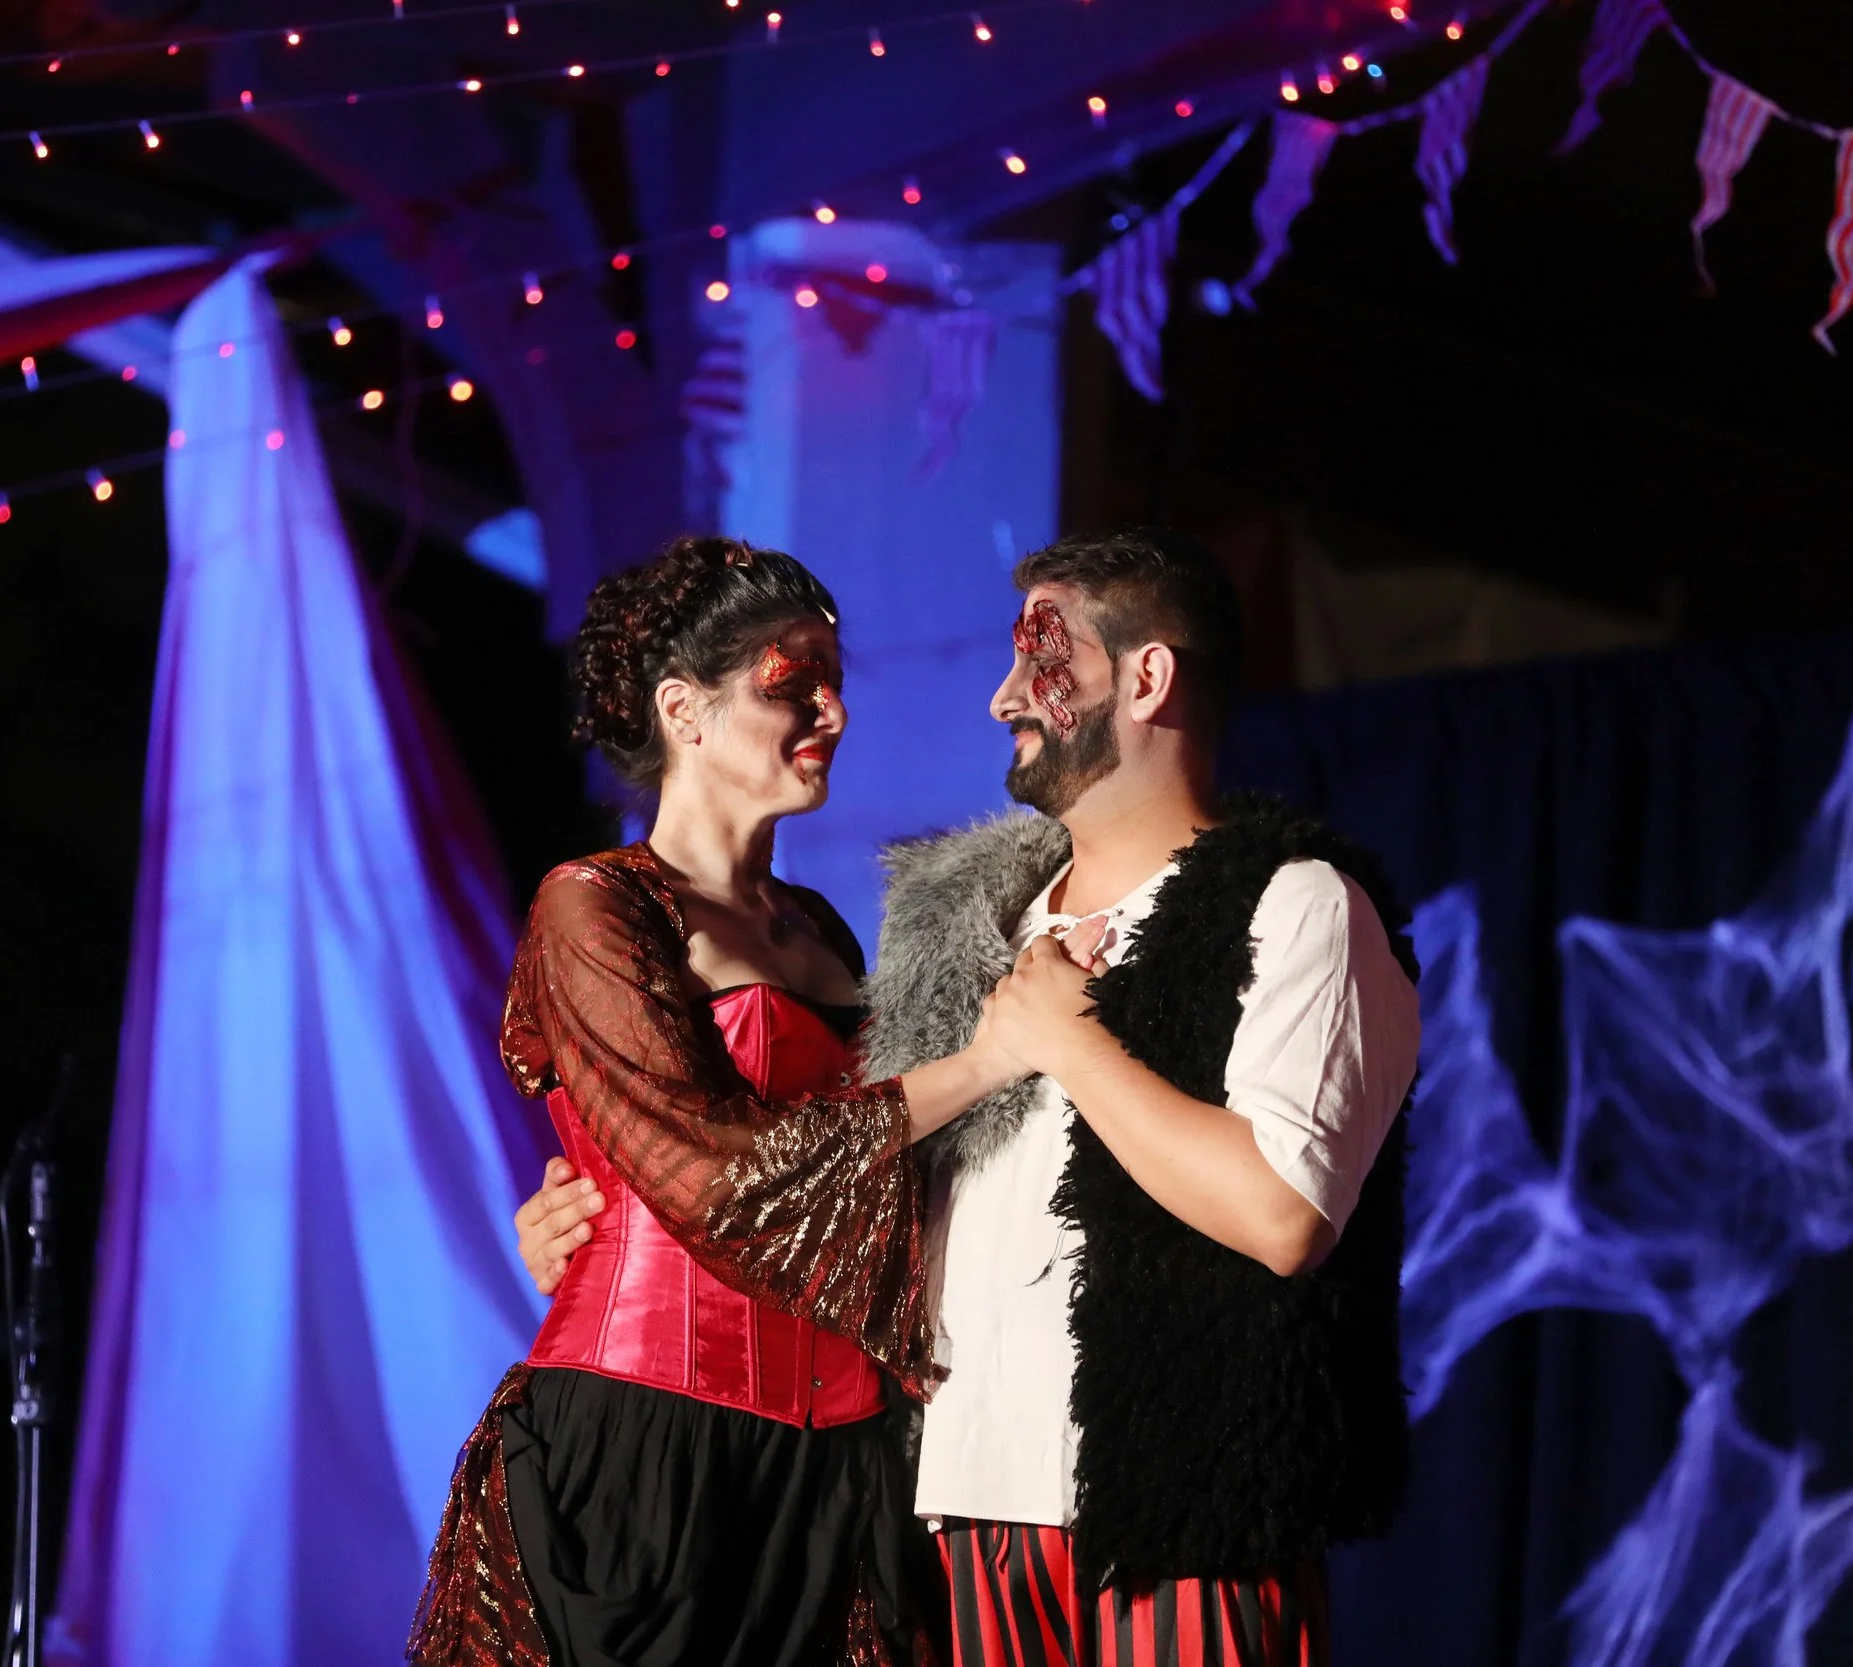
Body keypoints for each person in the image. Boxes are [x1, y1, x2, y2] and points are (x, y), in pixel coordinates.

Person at [517, 529, 1423, 1666]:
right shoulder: (954, 929)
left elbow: (1280, 1209)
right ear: (680, 710)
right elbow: (748, 1167)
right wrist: (610, 1212)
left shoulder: (1286, 905)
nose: (1000, 697)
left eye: (1041, 658)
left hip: (1118, 1494)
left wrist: (1062, 1044)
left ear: (1146, 678)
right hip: (875, 1479)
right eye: (793, 682)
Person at [409, 535, 1025, 1667]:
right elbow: (715, 1178)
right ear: (683, 710)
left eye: (836, 679)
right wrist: (987, 1059)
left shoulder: (820, 928)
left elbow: (873, 1179)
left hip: (835, 1467)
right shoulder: (594, 905)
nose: (833, 710)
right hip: (649, 1441)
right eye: (793, 682)